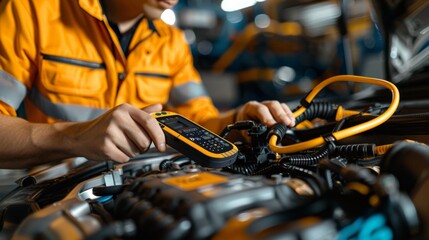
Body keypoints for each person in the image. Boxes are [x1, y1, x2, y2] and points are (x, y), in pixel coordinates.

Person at [0, 0, 295, 169]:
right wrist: (72, 137)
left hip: (137, 188)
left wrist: (237, 121)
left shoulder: (171, 43)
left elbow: (199, 120)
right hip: (54, 194)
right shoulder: (32, 12)